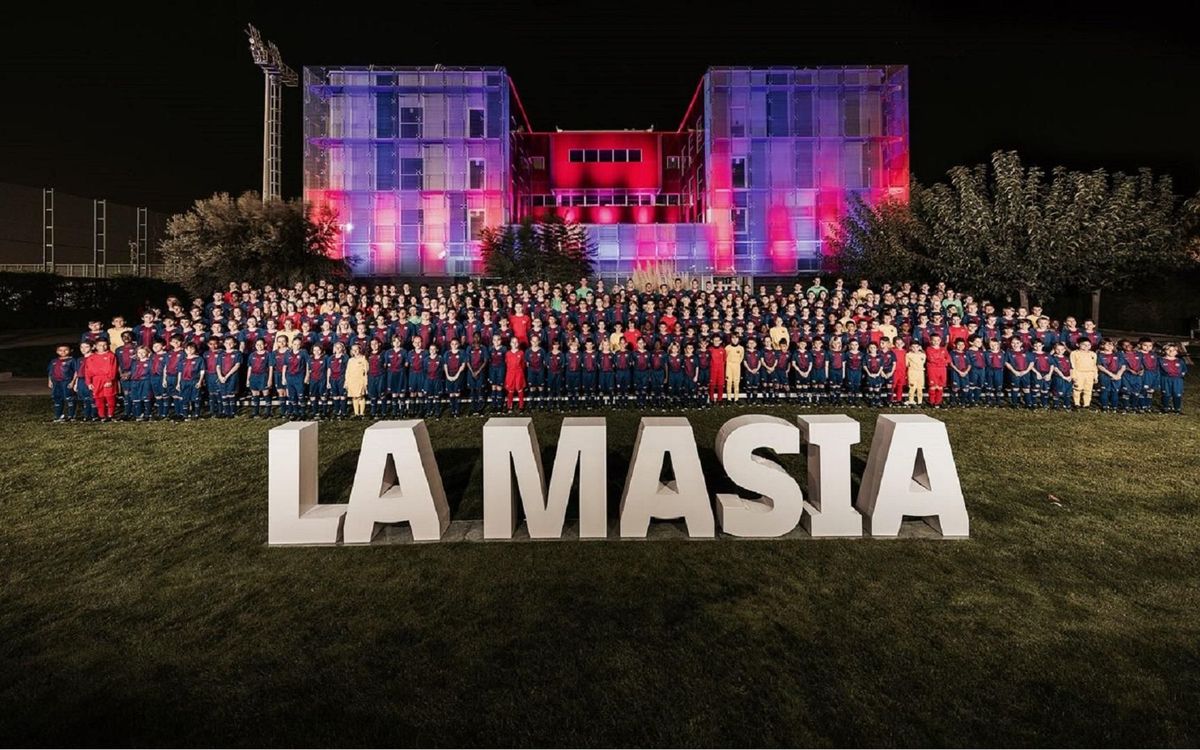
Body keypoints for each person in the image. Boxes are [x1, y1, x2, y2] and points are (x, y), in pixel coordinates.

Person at [86, 339, 120, 422]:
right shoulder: (91, 357)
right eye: (100, 345)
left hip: (107, 378)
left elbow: (113, 368)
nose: (102, 347)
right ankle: (102, 415)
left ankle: (110, 414)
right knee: (98, 398)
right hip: (96, 380)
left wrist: (110, 380)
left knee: (110, 397)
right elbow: (87, 371)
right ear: (95, 346)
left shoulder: (111, 355)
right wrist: (89, 382)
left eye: (104, 345)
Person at [48, 345, 78, 422]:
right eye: (60, 350)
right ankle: (58, 415)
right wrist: (50, 381)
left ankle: (71, 416)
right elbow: (51, 372)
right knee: (57, 398)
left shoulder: (72, 360)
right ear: (57, 351)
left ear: (70, 350)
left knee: (69, 398)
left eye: (65, 350)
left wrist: (73, 382)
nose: (63, 352)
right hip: (56, 382)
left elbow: (76, 372)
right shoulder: (54, 361)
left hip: (67, 381)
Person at [1068, 337, 1097, 409]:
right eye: (1084, 345)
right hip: (1079, 373)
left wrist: (1095, 376)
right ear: (1078, 345)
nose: (1086, 346)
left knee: (1088, 389)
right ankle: (1076, 403)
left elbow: (1094, 366)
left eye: (1088, 345)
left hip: (1089, 374)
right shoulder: (1074, 353)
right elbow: (1072, 365)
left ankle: (1086, 404)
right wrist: (1073, 376)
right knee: (1078, 389)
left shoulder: (1093, 354)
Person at [1158, 343, 1187, 414]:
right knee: (1166, 394)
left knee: (1177, 394)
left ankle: (1177, 409)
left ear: (1177, 351)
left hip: (1177, 380)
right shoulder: (1160, 360)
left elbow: (1184, 370)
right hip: (1165, 379)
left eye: (1174, 350)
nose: (1171, 351)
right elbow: (1157, 370)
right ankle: (1165, 408)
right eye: (1169, 350)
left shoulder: (1180, 361)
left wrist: (1181, 375)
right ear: (1164, 351)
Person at [345, 343, 369, 418]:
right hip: (352, 380)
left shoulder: (363, 358)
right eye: (353, 350)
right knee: (354, 397)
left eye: (356, 349)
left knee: (360, 396)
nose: (355, 351)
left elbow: (366, 370)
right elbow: (347, 371)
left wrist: (365, 381)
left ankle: (362, 413)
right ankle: (356, 413)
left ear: (360, 350)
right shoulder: (350, 360)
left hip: (360, 380)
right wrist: (346, 382)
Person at [504, 337, 527, 412]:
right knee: (510, 389)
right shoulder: (508, 353)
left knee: (519, 388)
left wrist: (520, 371)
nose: (514, 344)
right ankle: (509, 406)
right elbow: (507, 363)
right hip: (510, 373)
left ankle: (521, 406)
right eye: (513, 342)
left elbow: (523, 364)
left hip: (519, 373)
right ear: (510, 343)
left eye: (516, 342)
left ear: (518, 343)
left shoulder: (521, 353)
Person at [724, 334, 745, 403]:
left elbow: (741, 357)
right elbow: (725, 357)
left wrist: (738, 363)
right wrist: (728, 363)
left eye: (736, 338)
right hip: (729, 366)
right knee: (729, 382)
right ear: (731, 339)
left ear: (739, 339)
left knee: (736, 382)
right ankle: (729, 399)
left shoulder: (741, 348)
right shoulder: (727, 347)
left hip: (737, 366)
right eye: (733, 338)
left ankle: (736, 399)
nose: (735, 340)